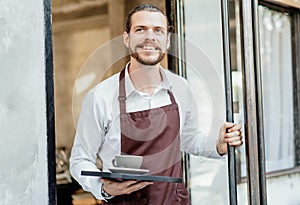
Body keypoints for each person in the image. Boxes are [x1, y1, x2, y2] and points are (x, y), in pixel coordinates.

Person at [70, 4, 243, 205]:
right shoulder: (100, 96)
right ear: (127, 39)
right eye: (140, 29)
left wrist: (218, 146)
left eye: (158, 31)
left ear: (167, 41)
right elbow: (79, 160)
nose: (149, 37)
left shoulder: (180, 86)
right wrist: (103, 187)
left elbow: (188, 138)